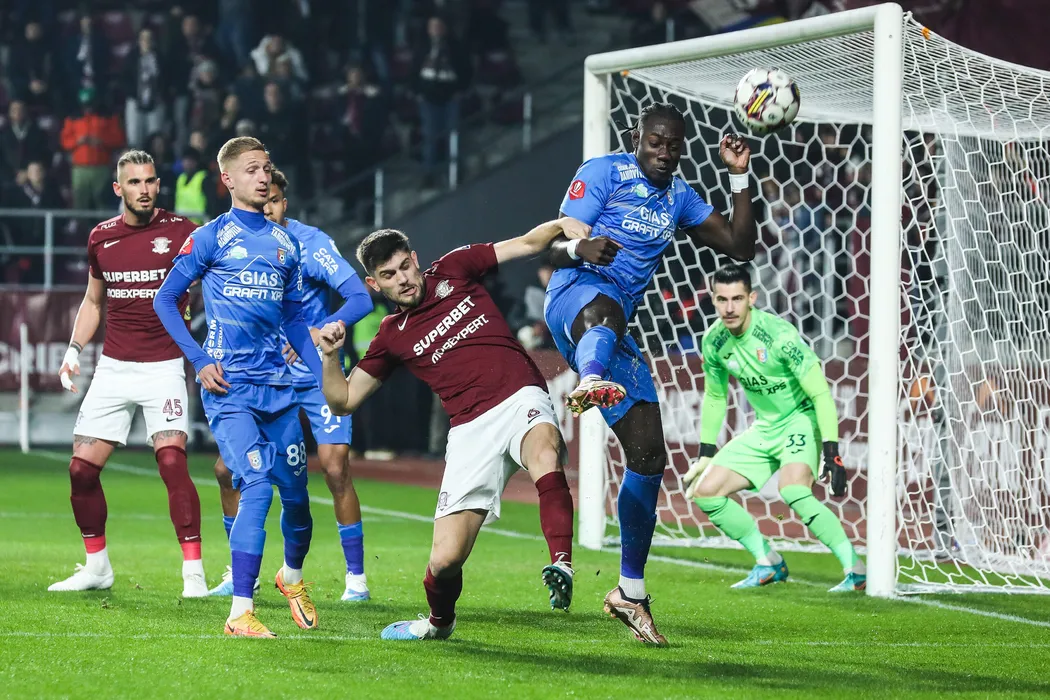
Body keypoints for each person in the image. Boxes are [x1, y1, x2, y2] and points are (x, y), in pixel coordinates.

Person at [544, 102, 756, 644]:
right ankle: (590, 379)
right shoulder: (603, 172)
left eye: (673, 145)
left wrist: (739, 175)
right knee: (608, 308)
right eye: (655, 141)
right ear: (637, 137)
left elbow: (739, 245)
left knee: (648, 457)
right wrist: (580, 245)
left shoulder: (679, 197)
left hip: (612, 328)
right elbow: (551, 245)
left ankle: (630, 594)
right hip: (574, 298)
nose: (664, 152)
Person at [317, 221, 588, 641]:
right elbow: (344, 401)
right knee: (444, 562)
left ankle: (562, 564)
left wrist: (560, 224)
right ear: (374, 284)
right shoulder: (391, 336)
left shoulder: (455, 267)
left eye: (405, 266)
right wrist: (330, 358)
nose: (403, 279)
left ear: (415, 260)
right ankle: (438, 623)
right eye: (389, 275)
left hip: (519, 396)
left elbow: (525, 242)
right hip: (468, 432)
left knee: (545, 452)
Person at [153, 136, 326, 638]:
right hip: (230, 388)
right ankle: (239, 612)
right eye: (252, 169)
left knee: (297, 498)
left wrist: (321, 374)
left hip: (279, 389)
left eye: (267, 168)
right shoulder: (210, 237)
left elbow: (295, 319)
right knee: (255, 485)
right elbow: (166, 299)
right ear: (227, 179)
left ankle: (291, 577)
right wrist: (198, 359)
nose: (263, 176)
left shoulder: (287, 244)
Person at [207, 167, 374, 602]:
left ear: (285, 202)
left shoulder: (311, 244)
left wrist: (321, 331)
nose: (268, 209)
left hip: (316, 376)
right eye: (262, 202)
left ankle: (356, 579)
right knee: (227, 471)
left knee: (335, 468)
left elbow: (359, 298)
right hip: (264, 378)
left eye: (275, 201)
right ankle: (241, 573)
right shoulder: (234, 241)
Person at [48, 149, 205, 597]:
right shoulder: (101, 237)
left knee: (171, 462)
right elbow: (93, 301)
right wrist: (74, 349)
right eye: (134, 182)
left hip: (163, 367)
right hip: (114, 368)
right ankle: (97, 568)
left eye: (150, 181)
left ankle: (193, 574)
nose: (144, 189)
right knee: (81, 471)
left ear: (159, 184)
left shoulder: (184, 232)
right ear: (119, 188)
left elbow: (212, 282)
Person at [682, 264, 864, 591]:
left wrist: (832, 452)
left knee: (792, 489)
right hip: (765, 428)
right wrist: (706, 453)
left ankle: (856, 570)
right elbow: (715, 395)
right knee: (705, 492)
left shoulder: (779, 336)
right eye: (722, 299)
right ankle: (768, 562)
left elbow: (820, 393)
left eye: (737, 299)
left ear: (751, 298)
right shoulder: (714, 341)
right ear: (713, 299)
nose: (729, 308)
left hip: (800, 419)